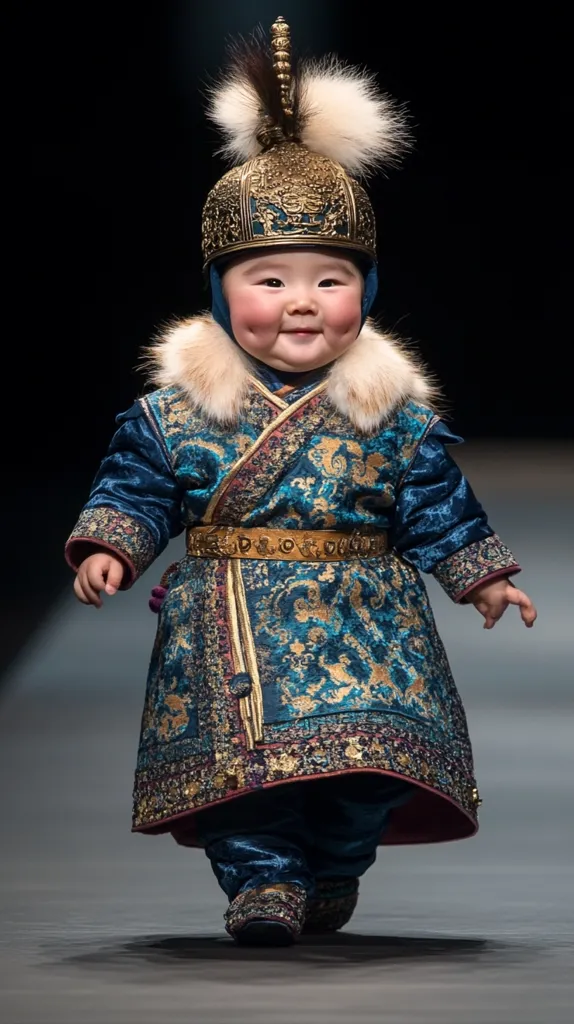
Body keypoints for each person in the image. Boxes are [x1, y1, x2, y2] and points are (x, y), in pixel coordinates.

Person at [65, 17, 537, 946]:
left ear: (364, 290)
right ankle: (262, 884)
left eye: (329, 281)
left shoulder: (387, 411)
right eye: (270, 280)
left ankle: (335, 866)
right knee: (246, 777)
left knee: (364, 774)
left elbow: (433, 499)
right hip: (231, 621)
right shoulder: (180, 412)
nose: (300, 303)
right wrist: (111, 544)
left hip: (367, 620)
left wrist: (479, 573)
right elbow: (140, 484)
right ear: (220, 293)